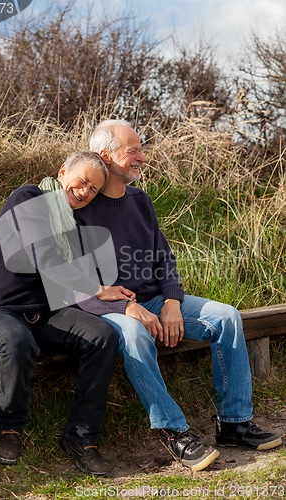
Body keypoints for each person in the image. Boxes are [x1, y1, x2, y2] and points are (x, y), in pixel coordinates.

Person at [73, 120, 283, 473]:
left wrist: (172, 301)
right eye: (133, 151)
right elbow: (73, 285)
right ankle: (173, 429)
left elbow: (163, 258)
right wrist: (128, 306)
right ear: (105, 156)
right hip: (107, 310)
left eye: (141, 149)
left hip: (156, 300)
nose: (142, 157)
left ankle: (233, 423)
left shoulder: (140, 200)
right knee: (136, 334)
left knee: (227, 316)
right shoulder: (77, 206)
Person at [0, 151, 135, 475]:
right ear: (63, 171)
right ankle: (9, 428)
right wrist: (97, 287)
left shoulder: (73, 227)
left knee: (102, 336)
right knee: (16, 341)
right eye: (83, 181)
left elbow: (72, 284)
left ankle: (82, 437)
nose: (85, 191)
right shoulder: (28, 197)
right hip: (1, 313)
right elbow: (42, 254)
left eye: (93, 190)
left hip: (47, 314)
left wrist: (125, 304)